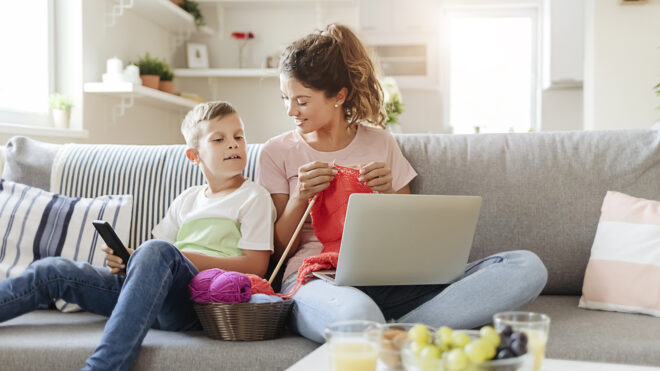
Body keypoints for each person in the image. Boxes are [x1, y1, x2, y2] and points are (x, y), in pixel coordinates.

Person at [256, 24, 548, 343]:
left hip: (388, 279)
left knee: (526, 267)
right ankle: (396, 330)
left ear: (338, 96)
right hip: (318, 281)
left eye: (301, 100)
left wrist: (387, 192)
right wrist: (300, 196)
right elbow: (280, 249)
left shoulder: (380, 142)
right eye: (285, 98)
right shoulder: (277, 151)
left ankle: (392, 332)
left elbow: (409, 236)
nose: (290, 110)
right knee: (357, 315)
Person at [0, 101, 276, 370]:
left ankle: (103, 366)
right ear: (194, 156)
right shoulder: (188, 199)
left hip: (194, 304)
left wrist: (175, 256)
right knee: (54, 270)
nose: (233, 144)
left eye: (239, 137)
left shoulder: (254, 197)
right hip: (149, 295)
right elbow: (156, 257)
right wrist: (130, 260)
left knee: (156, 250)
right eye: (219, 139)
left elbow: (256, 266)